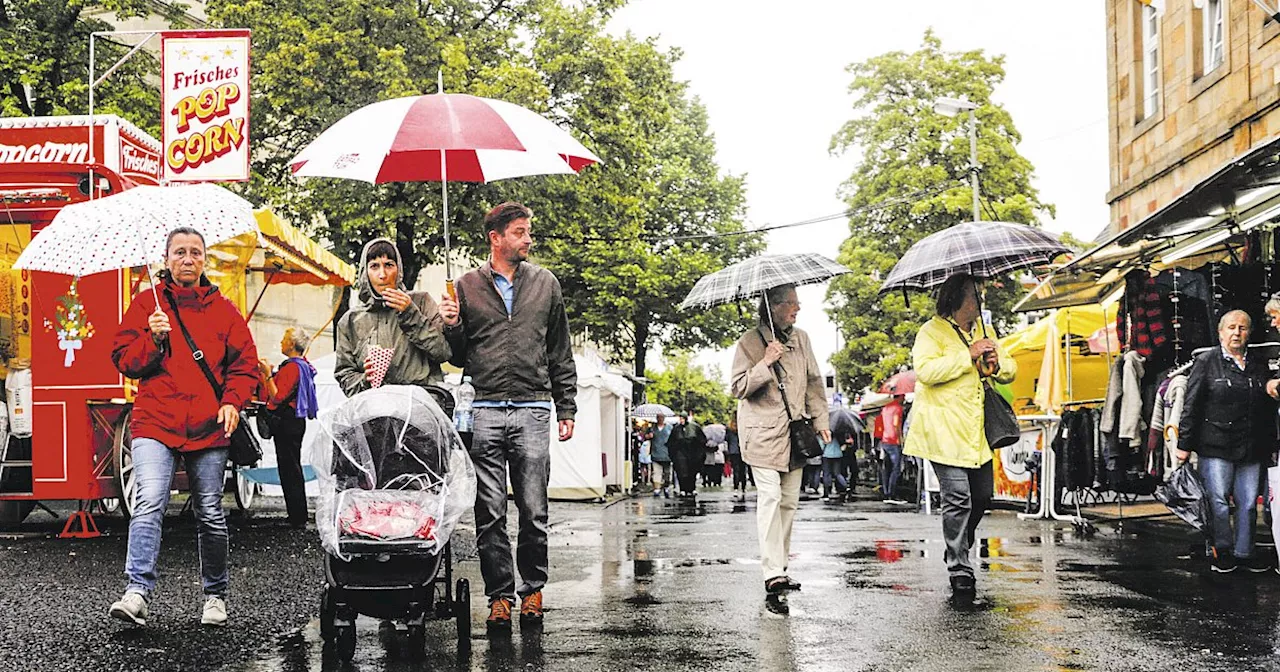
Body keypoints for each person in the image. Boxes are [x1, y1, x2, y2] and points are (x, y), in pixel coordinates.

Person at [108, 227, 259, 628]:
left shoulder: (224, 310)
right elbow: (124, 360)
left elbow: (245, 365)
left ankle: (215, 595)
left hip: (209, 427)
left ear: (205, 260)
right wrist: (153, 341)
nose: (187, 259)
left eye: (195, 252)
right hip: (155, 422)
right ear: (167, 259)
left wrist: (232, 401)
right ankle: (136, 592)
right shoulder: (146, 306)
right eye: (179, 253)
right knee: (149, 502)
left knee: (210, 511)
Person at [438, 201, 577, 630]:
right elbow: (457, 356)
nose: (528, 239)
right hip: (485, 409)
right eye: (520, 232)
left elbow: (559, 349)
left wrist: (566, 405)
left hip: (534, 407)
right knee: (490, 511)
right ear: (495, 238)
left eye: (527, 232)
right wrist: (451, 324)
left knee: (534, 509)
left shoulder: (546, 284)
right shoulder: (464, 286)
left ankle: (531, 590)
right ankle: (500, 595)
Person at [904, 273, 1015, 602]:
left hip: (975, 430)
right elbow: (926, 372)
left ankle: (958, 546)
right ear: (956, 300)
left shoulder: (985, 330)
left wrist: (996, 364)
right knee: (957, 498)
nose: (979, 302)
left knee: (982, 496)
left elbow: (1010, 368)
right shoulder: (931, 332)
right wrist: (967, 355)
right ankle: (959, 567)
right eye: (974, 296)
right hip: (941, 430)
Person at [731, 283, 830, 615]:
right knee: (770, 498)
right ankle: (772, 571)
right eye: (791, 303)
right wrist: (765, 362)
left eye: (797, 303)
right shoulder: (749, 342)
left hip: (795, 432)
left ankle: (781, 567)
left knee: (789, 502)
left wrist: (821, 420)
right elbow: (738, 387)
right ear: (772, 307)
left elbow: (815, 381)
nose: (797, 309)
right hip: (761, 433)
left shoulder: (802, 339)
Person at [1176, 309, 1277, 573]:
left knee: (1246, 503)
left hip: (1250, 445)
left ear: (1249, 333)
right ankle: (1221, 550)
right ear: (1221, 332)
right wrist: (1183, 445)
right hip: (1215, 445)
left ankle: (1244, 553)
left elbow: (1265, 406)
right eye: (1231, 327)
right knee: (1218, 501)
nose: (1237, 333)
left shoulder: (1257, 362)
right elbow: (1191, 405)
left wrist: (1270, 446)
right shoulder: (1206, 361)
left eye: (1242, 328)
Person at [335, 238, 451, 396]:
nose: (382, 275)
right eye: (374, 266)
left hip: (421, 404)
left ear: (399, 270)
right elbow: (345, 376)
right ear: (365, 273)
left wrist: (410, 313)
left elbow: (443, 352)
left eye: (389, 265)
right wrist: (365, 379)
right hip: (374, 409)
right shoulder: (350, 321)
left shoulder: (421, 302)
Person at [257, 327, 318, 529]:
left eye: (284, 339)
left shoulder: (292, 367)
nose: (281, 342)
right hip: (294, 421)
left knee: (289, 468)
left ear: (292, 344)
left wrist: (267, 375)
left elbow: (277, 396)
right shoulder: (302, 366)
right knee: (292, 466)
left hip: (287, 421)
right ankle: (296, 513)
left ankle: (297, 515)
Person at [670, 412, 707, 498]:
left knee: (692, 471)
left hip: (693, 453)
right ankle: (683, 488)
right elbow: (671, 442)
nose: (681, 420)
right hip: (680, 452)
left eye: (683, 418)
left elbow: (702, 440)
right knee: (681, 471)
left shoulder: (694, 427)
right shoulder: (676, 429)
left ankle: (691, 488)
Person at [879, 396, 907, 504]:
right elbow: (896, 425)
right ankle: (892, 494)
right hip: (893, 441)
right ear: (899, 397)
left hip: (885, 440)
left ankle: (886, 493)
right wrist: (900, 439)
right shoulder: (898, 408)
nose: (904, 398)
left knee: (887, 468)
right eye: (903, 396)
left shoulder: (885, 408)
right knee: (896, 469)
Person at [649, 413, 674, 498]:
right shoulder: (652, 428)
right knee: (656, 472)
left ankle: (666, 486)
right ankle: (657, 488)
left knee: (667, 473)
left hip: (667, 454)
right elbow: (645, 436)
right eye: (658, 418)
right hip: (655, 453)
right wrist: (649, 436)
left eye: (661, 418)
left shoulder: (669, 428)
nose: (660, 419)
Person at [726, 417, 751, 501]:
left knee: (735, 470)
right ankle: (743, 488)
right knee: (743, 470)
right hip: (742, 450)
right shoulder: (743, 427)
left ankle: (736, 488)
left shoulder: (729, 429)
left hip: (733, 451)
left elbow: (726, 439)